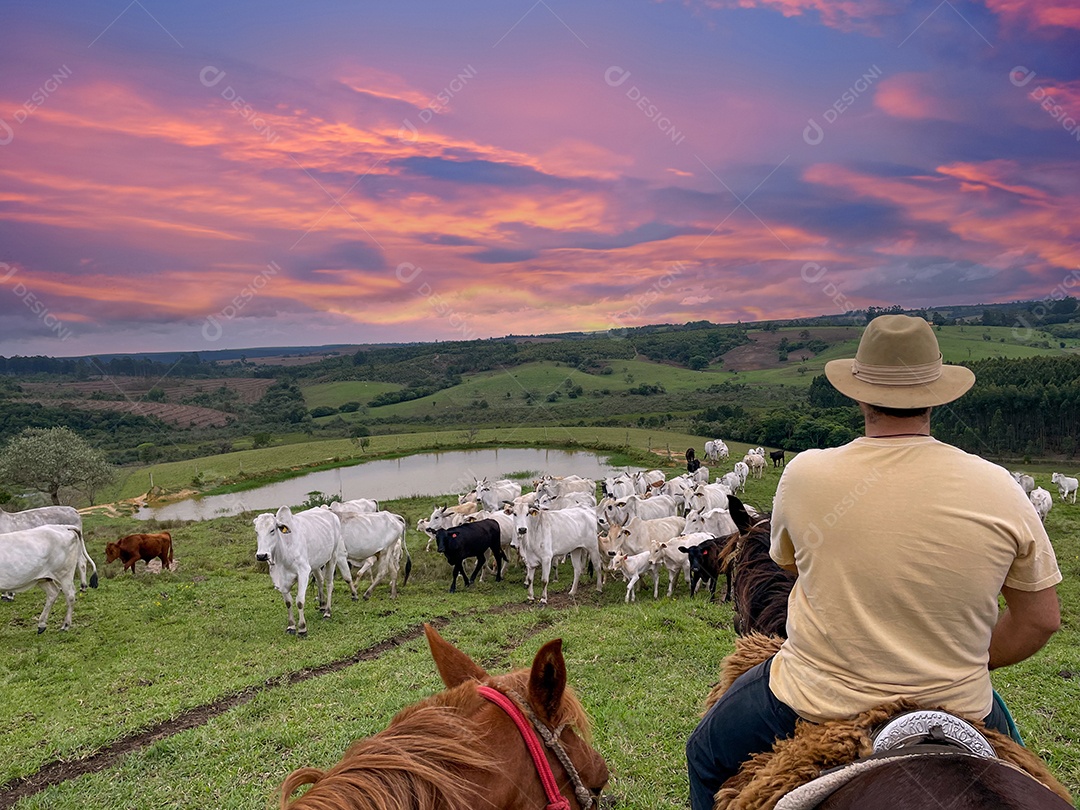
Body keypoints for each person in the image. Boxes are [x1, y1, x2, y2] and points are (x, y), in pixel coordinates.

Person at [686, 315, 1062, 810]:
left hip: (816, 697)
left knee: (707, 755)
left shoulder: (805, 474)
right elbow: (1041, 618)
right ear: (937, 394)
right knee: (1027, 776)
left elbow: (790, 567)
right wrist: (962, 662)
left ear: (858, 394)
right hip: (959, 701)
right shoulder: (1000, 486)